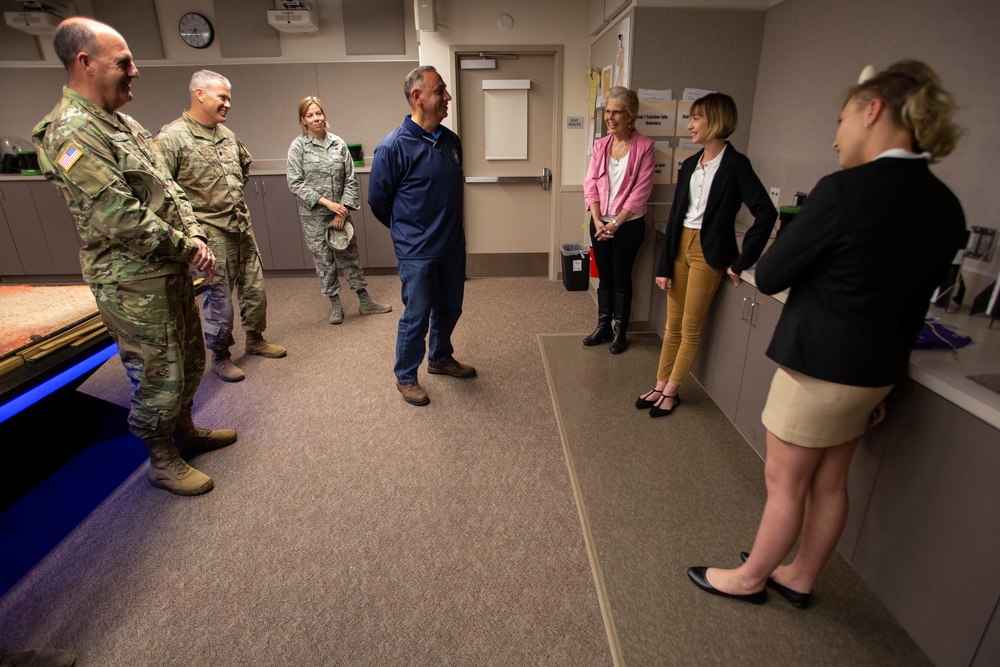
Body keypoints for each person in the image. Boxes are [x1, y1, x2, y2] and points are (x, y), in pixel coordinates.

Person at [687, 61, 967, 606]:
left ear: (874, 110)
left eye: (841, 121)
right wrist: (884, 379)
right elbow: (915, 303)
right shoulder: (946, 206)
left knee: (785, 484)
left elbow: (769, 275)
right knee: (830, 482)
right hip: (874, 374)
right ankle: (798, 575)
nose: (836, 136)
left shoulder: (844, 192)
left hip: (818, 365)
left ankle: (750, 578)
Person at [33, 18, 235, 496]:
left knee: (187, 357)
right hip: (132, 283)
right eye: (123, 62)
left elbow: (169, 188)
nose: (135, 71)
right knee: (157, 370)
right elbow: (119, 216)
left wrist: (193, 233)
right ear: (85, 63)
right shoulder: (71, 133)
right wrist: (190, 246)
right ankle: (161, 458)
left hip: (167, 269)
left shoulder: (123, 124)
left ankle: (184, 429)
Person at [636, 93, 775, 417]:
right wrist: (664, 264)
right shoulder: (689, 165)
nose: (690, 125)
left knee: (690, 327)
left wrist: (741, 261)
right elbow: (674, 218)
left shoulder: (737, 165)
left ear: (716, 120)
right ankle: (659, 385)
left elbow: (765, 213)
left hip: (708, 253)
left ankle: (672, 391)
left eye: (697, 118)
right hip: (680, 245)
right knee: (672, 326)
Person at [157, 70, 287, 383]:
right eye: (222, 97)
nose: (228, 104)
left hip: (240, 225)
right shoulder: (171, 138)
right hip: (209, 231)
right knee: (219, 299)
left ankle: (255, 338)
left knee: (255, 289)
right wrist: (192, 233)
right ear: (199, 94)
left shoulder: (226, 136)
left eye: (229, 98)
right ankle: (220, 355)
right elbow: (163, 191)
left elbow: (243, 166)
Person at [368, 65, 475, 407]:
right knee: (416, 314)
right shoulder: (393, 147)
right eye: (440, 90)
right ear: (417, 97)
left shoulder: (450, 140)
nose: (447, 97)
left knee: (450, 308)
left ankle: (440, 358)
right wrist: (408, 234)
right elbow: (378, 202)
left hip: (452, 246)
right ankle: (406, 375)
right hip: (418, 252)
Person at [286, 96, 392, 324]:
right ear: (303, 120)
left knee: (350, 256)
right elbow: (295, 183)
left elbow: (350, 180)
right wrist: (327, 203)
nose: (316, 119)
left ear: (324, 115)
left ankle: (365, 301)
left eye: (319, 113)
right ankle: (335, 305)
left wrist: (340, 210)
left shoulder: (338, 144)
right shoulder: (298, 147)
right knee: (324, 262)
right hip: (314, 216)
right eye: (310, 115)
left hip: (341, 214)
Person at [582, 86, 656, 354]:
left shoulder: (645, 147)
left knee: (622, 276)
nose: (610, 118)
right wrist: (598, 220)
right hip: (599, 221)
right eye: (608, 112)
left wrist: (615, 224)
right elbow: (590, 184)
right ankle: (603, 326)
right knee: (605, 277)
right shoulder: (600, 146)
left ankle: (619, 331)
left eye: (617, 112)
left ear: (630, 116)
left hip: (628, 225)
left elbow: (640, 192)